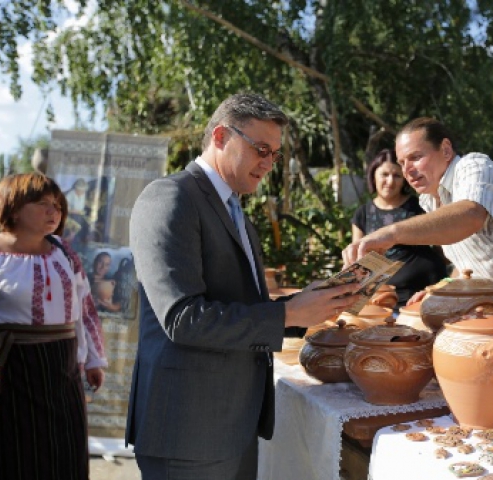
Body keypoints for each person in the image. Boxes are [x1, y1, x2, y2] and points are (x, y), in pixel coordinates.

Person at [126, 92, 359, 480]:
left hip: (233, 427)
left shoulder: (236, 213)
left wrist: (308, 303)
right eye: (260, 149)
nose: (268, 164)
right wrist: (288, 312)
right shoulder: (169, 197)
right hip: (187, 434)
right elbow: (183, 318)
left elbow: (241, 304)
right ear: (220, 136)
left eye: (275, 154)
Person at [343, 117, 493, 300]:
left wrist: (390, 233)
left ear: (446, 150)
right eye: (402, 163)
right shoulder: (429, 199)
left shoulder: (474, 166)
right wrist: (440, 290)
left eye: (415, 157)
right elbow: (468, 263)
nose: (407, 170)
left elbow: (470, 215)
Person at [0, 173, 107, 479]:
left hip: (63, 370)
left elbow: (85, 307)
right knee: (16, 455)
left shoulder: (64, 252)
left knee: (65, 453)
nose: (55, 212)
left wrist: (93, 359)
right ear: (13, 208)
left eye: (57, 204)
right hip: (12, 370)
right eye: (42, 204)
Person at [351, 148, 448, 307]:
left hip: (423, 296)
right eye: (385, 174)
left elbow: (442, 248)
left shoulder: (420, 206)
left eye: (396, 175)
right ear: (373, 174)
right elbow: (358, 261)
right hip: (381, 302)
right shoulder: (362, 214)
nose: (390, 181)